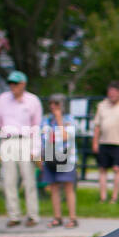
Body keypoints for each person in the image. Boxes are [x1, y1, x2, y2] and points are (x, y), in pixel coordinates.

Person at [0, 70, 42, 227]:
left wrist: (36, 150)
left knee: (29, 180)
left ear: (23, 84)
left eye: (15, 83)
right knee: (9, 180)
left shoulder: (32, 100)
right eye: (11, 83)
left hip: (25, 140)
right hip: (8, 140)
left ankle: (32, 215)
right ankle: (14, 215)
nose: (12, 86)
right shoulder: (2, 99)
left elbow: (36, 126)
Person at [42, 93, 77, 228]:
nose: (53, 107)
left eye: (56, 104)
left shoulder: (69, 120)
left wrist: (59, 119)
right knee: (54, 187)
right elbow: (43, 138)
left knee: (68, 187)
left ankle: (72, 218)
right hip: (50, 158)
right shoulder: (46, 120)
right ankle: (57, 217)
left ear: (63, 105)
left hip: (66, 158)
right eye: (51, 104)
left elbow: (64, 137)